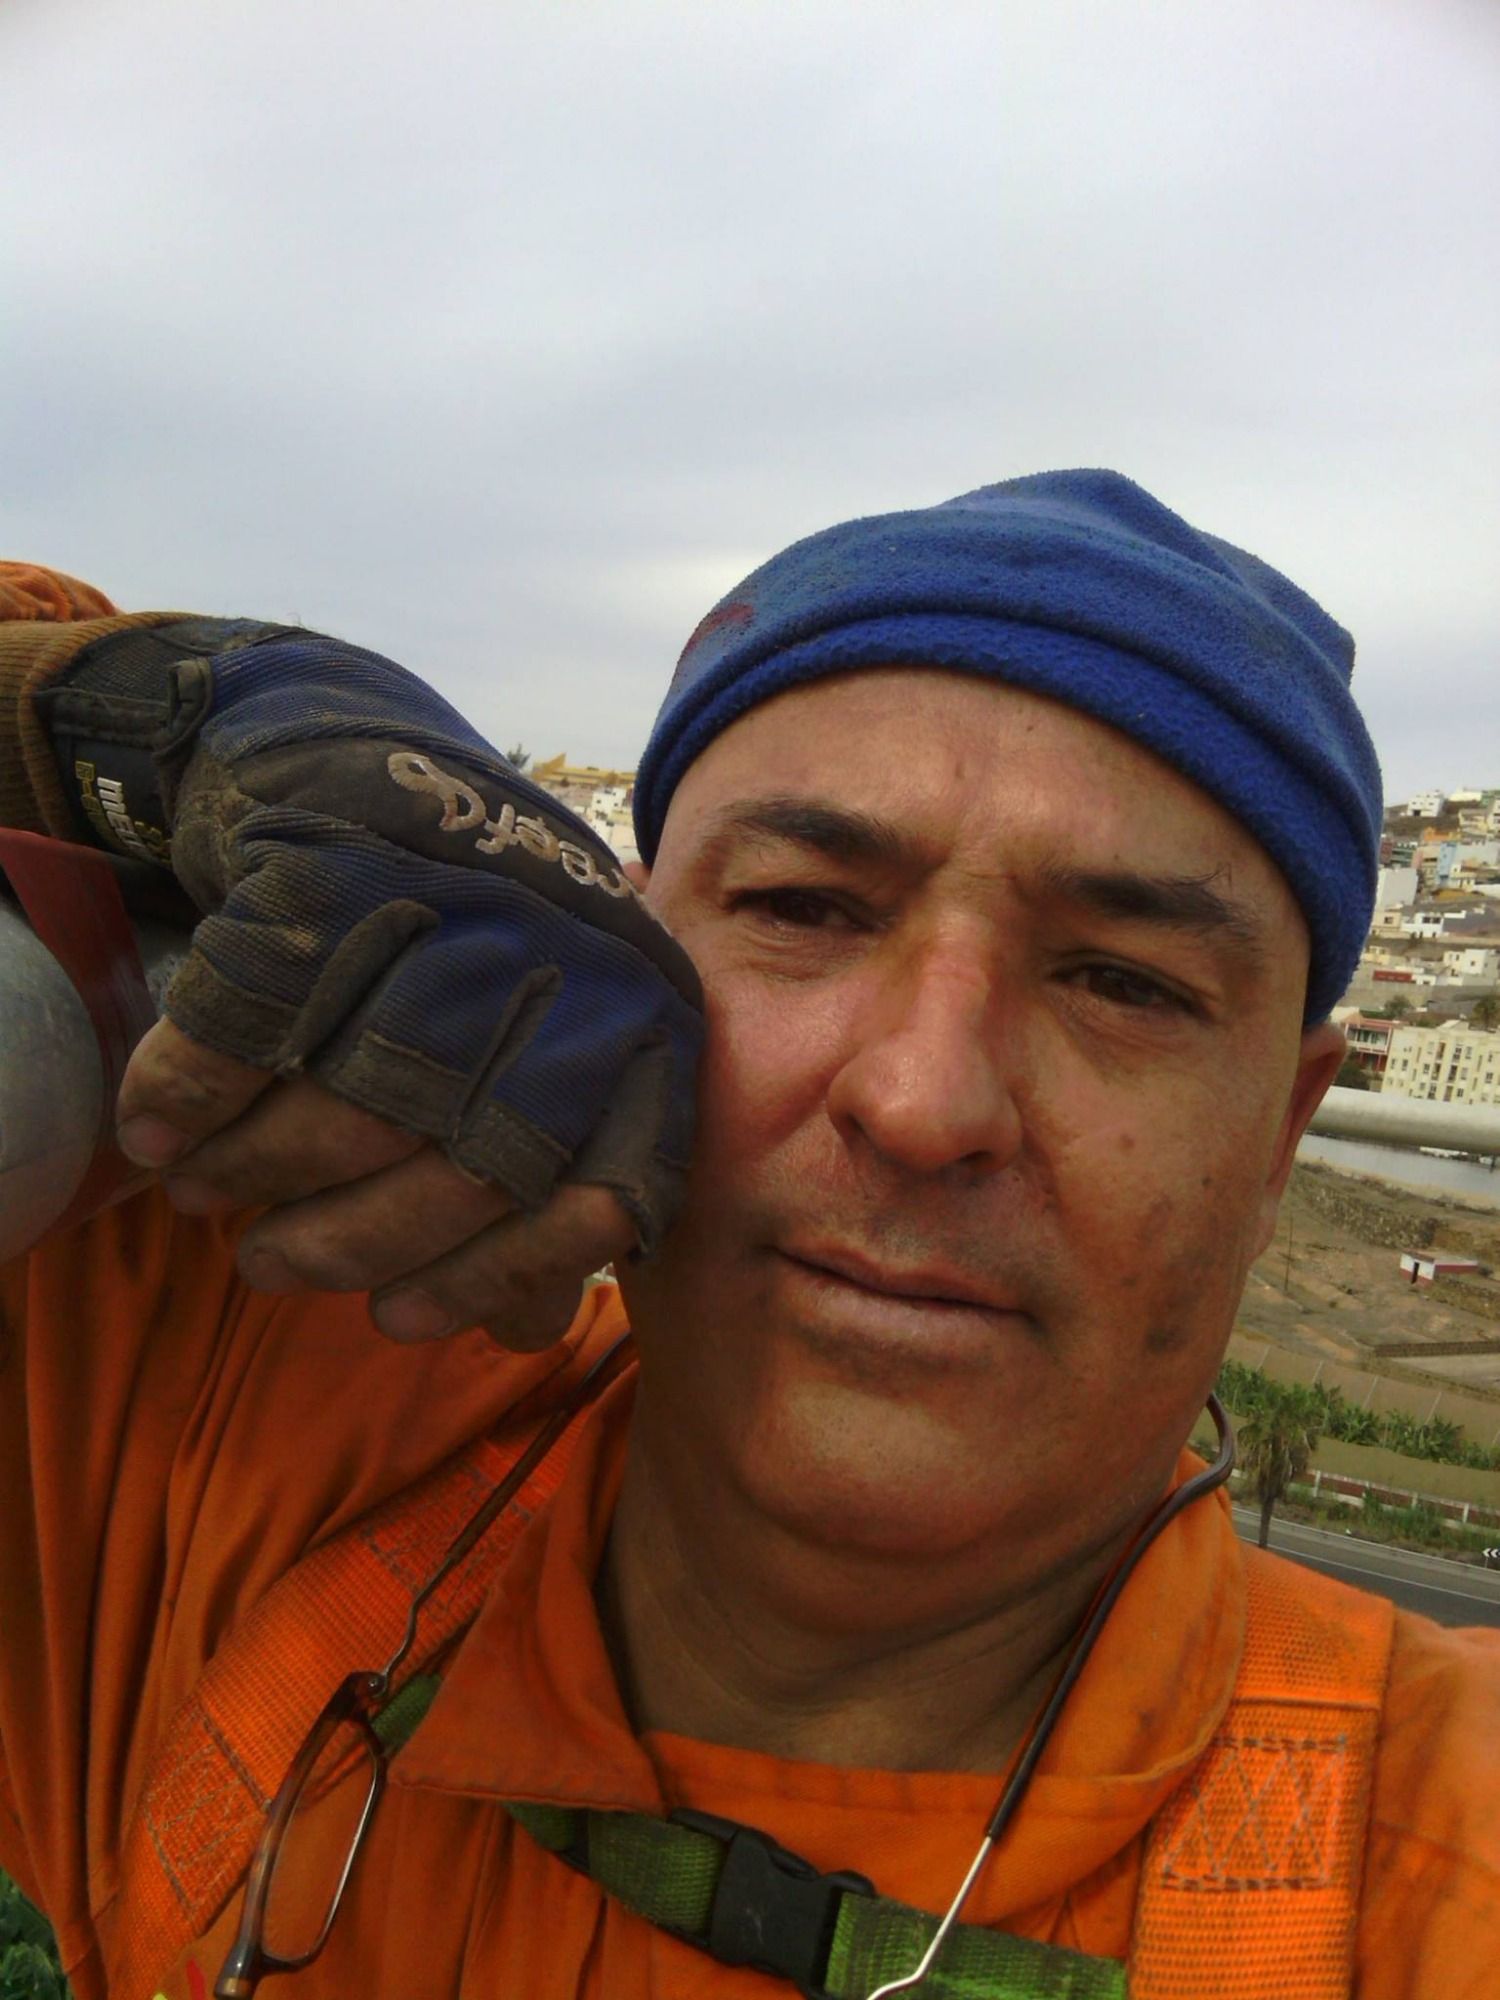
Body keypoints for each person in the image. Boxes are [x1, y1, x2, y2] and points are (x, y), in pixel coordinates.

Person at [0, 473, 1495, 2000]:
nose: (922, 1101)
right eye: (805, 909)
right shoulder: (250, 1417)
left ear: (1279, 1138)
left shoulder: (1448, 1851)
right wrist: (122, 713)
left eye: (1126, 985)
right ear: (614, 957)